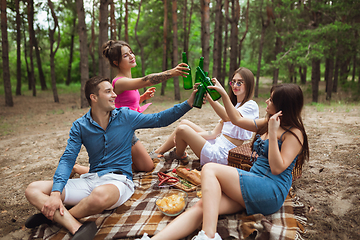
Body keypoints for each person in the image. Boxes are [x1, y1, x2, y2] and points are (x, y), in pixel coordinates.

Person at [24, 76, 196, 240]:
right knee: (33, 189)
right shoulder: (80, 126)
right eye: (108, 91)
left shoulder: (126, 116)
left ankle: (53, 217)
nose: (114, 95)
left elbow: (159, 119)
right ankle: (75, 226)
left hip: (118, 182)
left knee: (99, 196)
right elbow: (68, 159)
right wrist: (55, 194)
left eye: (113, 91)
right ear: (94, 97)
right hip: (90, 180)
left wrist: (188, 103)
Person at [137, 82, 309, 240]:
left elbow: (278, 168)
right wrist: (223, 94)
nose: (266, 101)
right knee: (204, 206)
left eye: (271, 100)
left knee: (210, 169)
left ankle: (208, 236)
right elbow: (236, 120)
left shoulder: (294, 134)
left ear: (283, 106)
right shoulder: (269, 122)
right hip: (254, 182)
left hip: (270, 191)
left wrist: (272, 133)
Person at [72, 40, 190, 175]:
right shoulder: (120, 81)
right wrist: (172, 72)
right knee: (143, 167)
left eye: (131, 52)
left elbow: (122, 103)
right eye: (125, 55)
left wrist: (142, 98)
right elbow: (145, 80)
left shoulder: (126, 80)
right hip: (118, 132)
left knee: (141, 166)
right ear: (116, 62)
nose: (131, 56)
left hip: (125, 128)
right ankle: (76, 168)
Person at [151, 67, 259, 166]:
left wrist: (219, 94)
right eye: (233, 82)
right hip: (216, 142)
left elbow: (228, 117)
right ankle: (158, 152)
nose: (235, 85)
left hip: (223, 155)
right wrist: (193, 136)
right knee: (184, 123)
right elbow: (214, 134)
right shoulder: (234, 105)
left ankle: (179, 154)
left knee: (182, 130)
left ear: (248, 84)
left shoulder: (251, 105)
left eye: (240, 83)